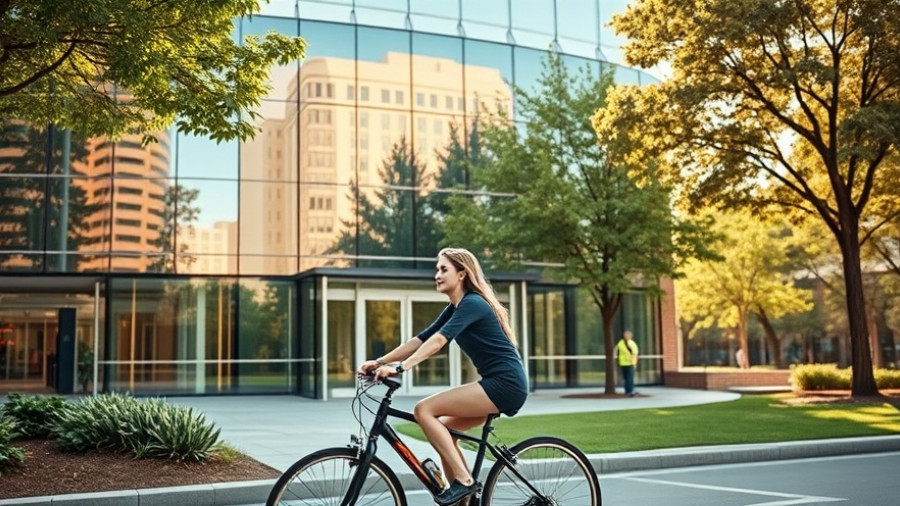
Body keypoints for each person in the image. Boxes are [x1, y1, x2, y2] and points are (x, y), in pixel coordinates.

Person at [358, 247, 528, 505]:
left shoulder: (472, 303)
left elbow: (438, 341)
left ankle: (465, 480)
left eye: (443, 269)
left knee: (423, 409)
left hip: (506, 384)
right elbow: (420, 339)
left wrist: (401, 368)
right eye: (437, 269)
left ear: (462, 274)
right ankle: (466, 498)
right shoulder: (455, 307)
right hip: (497, 383)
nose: (437, 274)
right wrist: (380, 361)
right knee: (446, 432)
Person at [616, 330, 639, 397]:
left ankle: (627, 391)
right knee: (630, 378)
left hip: (623, 363)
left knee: (626, 378)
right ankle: (630, 391)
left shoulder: (620, 343)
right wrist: (634, 363)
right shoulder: (632, 343)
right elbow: (635, 354)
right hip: (630, 363)